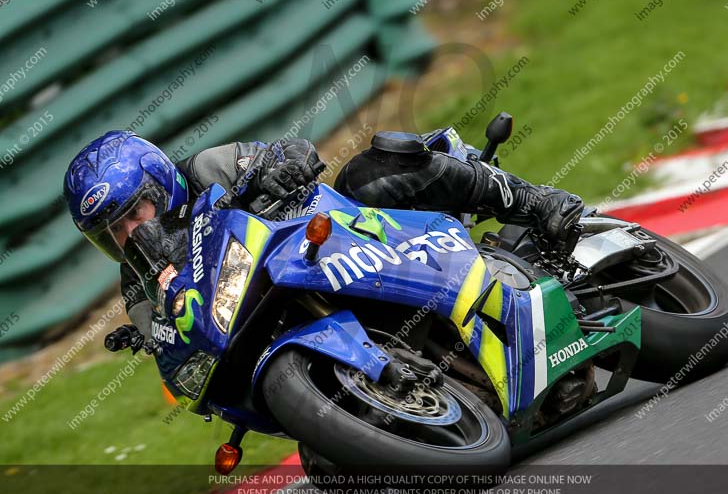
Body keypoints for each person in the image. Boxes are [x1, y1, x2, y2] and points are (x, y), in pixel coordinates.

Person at [64, 130, 583, 340]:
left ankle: (537, 202)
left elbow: (287, 148)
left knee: (370, 172)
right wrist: (161, 324)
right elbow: (167, 340)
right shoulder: (136, 278)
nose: (130, 233)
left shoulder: (207, 169)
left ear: (160, 182)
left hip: (339, 242)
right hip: (284, 309)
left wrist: (281, 168)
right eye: (113, 230)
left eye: (135, 212)